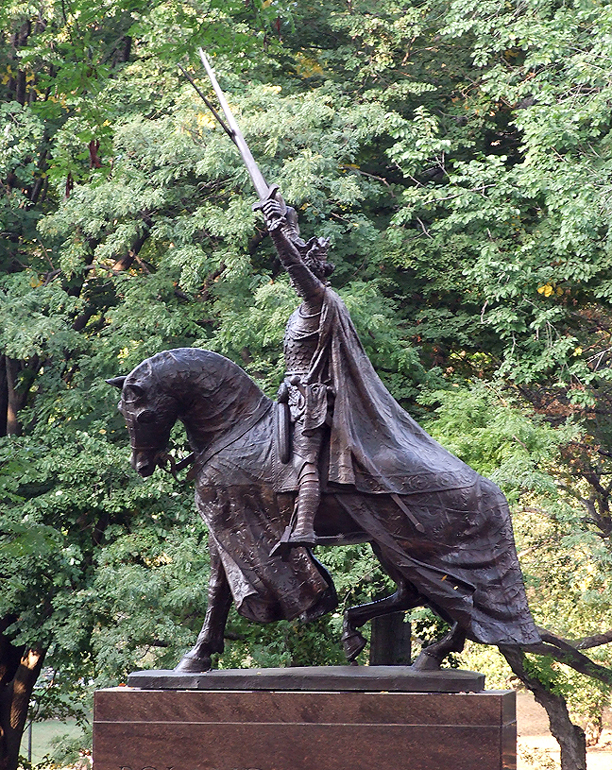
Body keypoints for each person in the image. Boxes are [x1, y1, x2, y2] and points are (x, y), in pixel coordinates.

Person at [263, 195, 334, 546]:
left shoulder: (318, 300)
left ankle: (304, 526)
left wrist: (276, 231)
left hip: (312, 400)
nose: (297, 280)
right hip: (293, 394)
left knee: (306, 459)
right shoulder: (304, 308)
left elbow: (293, 264)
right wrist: (288, 220)